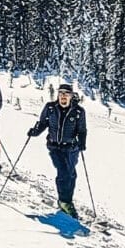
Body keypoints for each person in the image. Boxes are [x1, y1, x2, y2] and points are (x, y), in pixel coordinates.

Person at [27, 84, 87, 218]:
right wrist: (35, 132)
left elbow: (82, 130)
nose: (63, 96)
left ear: (71, 96)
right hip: (55, 147)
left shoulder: (78, 112)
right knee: (64, 173)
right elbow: (43, 123)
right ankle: (64, 201)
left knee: (71, 175)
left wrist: (82, 142)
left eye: (66, 93)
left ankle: (67, 201)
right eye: (61, 93)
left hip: (71, 148)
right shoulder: (50, 108)